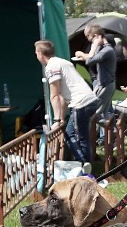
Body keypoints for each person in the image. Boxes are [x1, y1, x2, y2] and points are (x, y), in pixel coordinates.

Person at [35, 39, 99, 169]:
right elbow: (63, 96)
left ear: (40, 53)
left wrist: (57, 119)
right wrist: (61, 119)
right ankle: (84, 164)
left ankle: (87, 170)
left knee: (82, 137)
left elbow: (55, 95)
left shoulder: (51, 67)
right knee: (70, 133)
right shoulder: (62, 62)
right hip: (90, 99)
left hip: (81, 103)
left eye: (36, 53)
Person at [74, 24, 116, 118]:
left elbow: (89, 61)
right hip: (103, 84)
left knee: (93, 112)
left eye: (92, 40)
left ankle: (110, 130)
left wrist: (93, 46)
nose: (91, 42)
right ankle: (110, 131)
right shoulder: (103, 48)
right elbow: (93, 58)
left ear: (97, 36)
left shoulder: (107, 50)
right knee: (102, 114)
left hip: (106, 84)